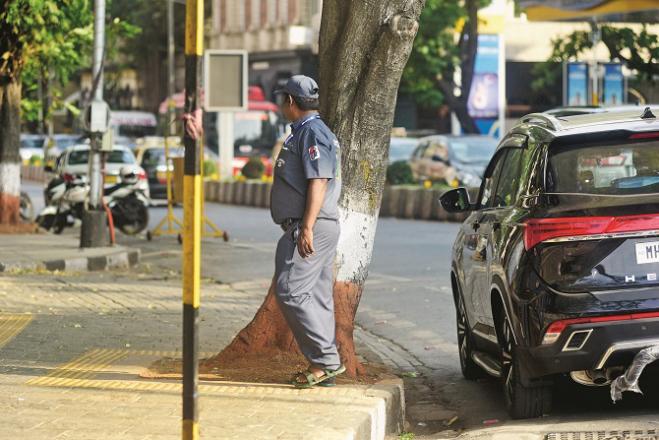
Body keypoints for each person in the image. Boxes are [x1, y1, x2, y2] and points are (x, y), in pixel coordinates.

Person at [271, 75, 344, 388]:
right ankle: (324, 367)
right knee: (317, 295)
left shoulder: (312, 132)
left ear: (290, 102)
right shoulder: (305, 131)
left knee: (290, 290)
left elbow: (319, 180)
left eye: (282, 99)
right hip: (313, 224)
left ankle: (326, 361)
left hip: (311, 225)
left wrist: (308, 228)